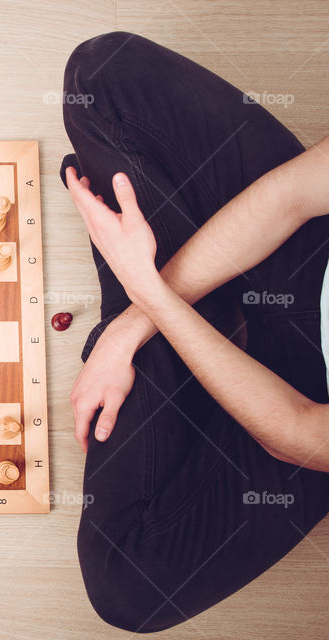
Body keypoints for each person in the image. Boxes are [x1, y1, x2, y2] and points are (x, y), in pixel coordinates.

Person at [61, 31, 329, 632]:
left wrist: (149, 291)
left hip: (308, 424)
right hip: (311, 257)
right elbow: (290, 198)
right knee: (102, 78)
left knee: (126, 583)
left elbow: (295, 431)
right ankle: (170, 314)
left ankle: (163, 294)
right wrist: (133, 326)